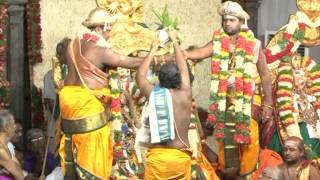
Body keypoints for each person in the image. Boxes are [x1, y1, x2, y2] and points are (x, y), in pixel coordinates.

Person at [182, 1, 273, 177]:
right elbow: (199, 53)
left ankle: (247, 174)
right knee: (225, 138)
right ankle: (229, 173)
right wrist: (178, 50)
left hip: (248, 99)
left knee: (250, 137)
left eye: (231, 20)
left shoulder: (253, 44)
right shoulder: (218, 41)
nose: (227, 23)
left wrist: (268, 104)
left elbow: (266, 75)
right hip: (224, 99)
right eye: (225, 20)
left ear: (240, 22)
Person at [59, 8, 147, 179]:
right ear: (102, 27)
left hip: (69, 107)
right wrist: (154, 57)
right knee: (93, 160)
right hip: (88, 111)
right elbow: (127, 61)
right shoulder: (100, 50)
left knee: (73, 153)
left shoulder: (73, 44)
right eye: (110, 28)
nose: (111, 33)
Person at [136, 30, 192, 179]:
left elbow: (140, 75)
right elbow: (184, 68)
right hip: (179, 158)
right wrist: (174, 41)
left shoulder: (153, 93)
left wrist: (153, 49)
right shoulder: (185, 94)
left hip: (158, 161)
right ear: (179, 79)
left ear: (159, 79)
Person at [0, 110, 24, 180]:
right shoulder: (1, 150)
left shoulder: (6, 146)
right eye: (13, 123)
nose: (15, 126)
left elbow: (19, 169)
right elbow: (20, 176)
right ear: (6, 127)